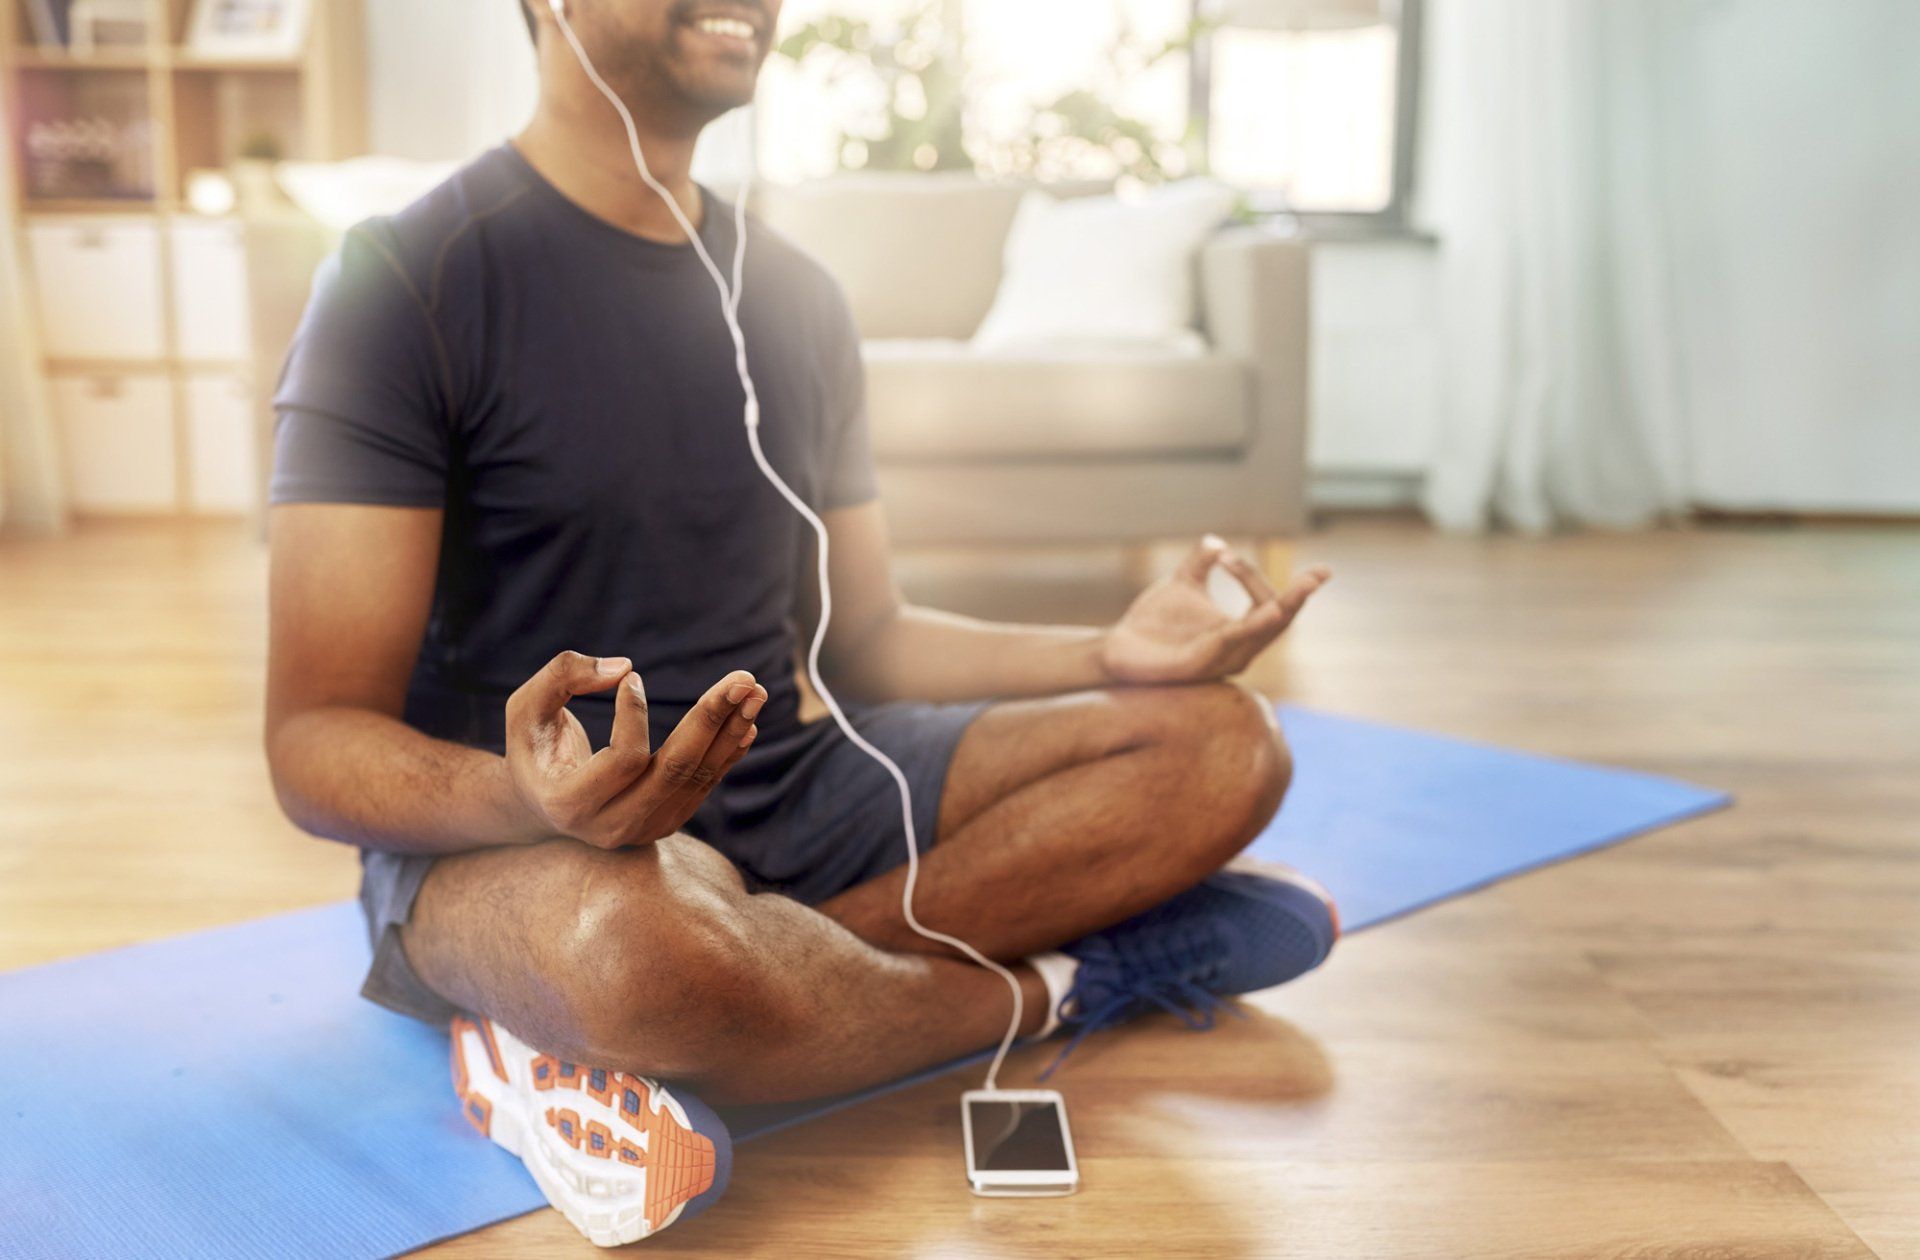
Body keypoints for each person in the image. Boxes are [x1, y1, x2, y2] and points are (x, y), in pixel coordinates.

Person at [264, 0, 1338, 1246]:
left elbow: (863, 637)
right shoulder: (403, 280)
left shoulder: (796, 298)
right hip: (525, 851)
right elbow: (311, 739)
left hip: (795, 792)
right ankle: (1066, 980)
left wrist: (1102, 658)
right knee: (633, 952)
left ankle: (733, 1009)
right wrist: (530, 801)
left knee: (1223, 743)